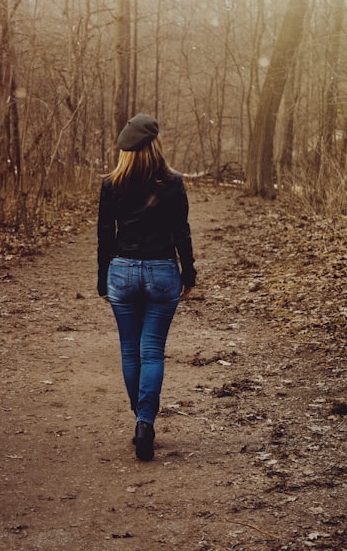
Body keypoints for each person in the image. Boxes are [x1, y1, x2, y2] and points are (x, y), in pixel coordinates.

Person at [97, 114, 196, 461]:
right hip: (161, 272)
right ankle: (145, 421)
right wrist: (189, 274)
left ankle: (140, 419)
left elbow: (104, 235)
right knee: (152, 350)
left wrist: (102, 278)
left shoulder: (111, 183)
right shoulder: (172, 183)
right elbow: (181, 232)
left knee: (129, 351)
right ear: (155, 145)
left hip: (121, 272)